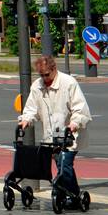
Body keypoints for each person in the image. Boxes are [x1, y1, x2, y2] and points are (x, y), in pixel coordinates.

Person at [18, 54, 92, 196]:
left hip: (70, 133)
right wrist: (26, 119)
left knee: (65, 164)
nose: (45, 79)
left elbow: (80, 108)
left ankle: (71, 194)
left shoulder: (69, 83)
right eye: (41, 75)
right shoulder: (37, 86)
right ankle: (72, 193)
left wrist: (75, 122)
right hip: (52, 135)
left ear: (54, 69)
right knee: (61, 164)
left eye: (47, 75)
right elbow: (31, 108)